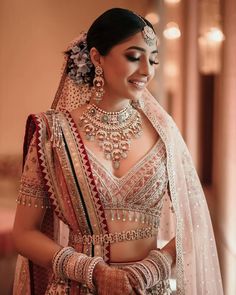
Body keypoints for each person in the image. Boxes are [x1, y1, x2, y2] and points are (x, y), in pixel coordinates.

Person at [12, 7, 223, 295]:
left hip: (148, 288)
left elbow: (195, 221)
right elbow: (24, 234)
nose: (147, 71)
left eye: (153, 60)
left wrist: (154, 267)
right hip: (76, 287)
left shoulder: (164, 133)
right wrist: (94, 272)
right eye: (134, 57)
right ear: (97, 57)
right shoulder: (51, 133)